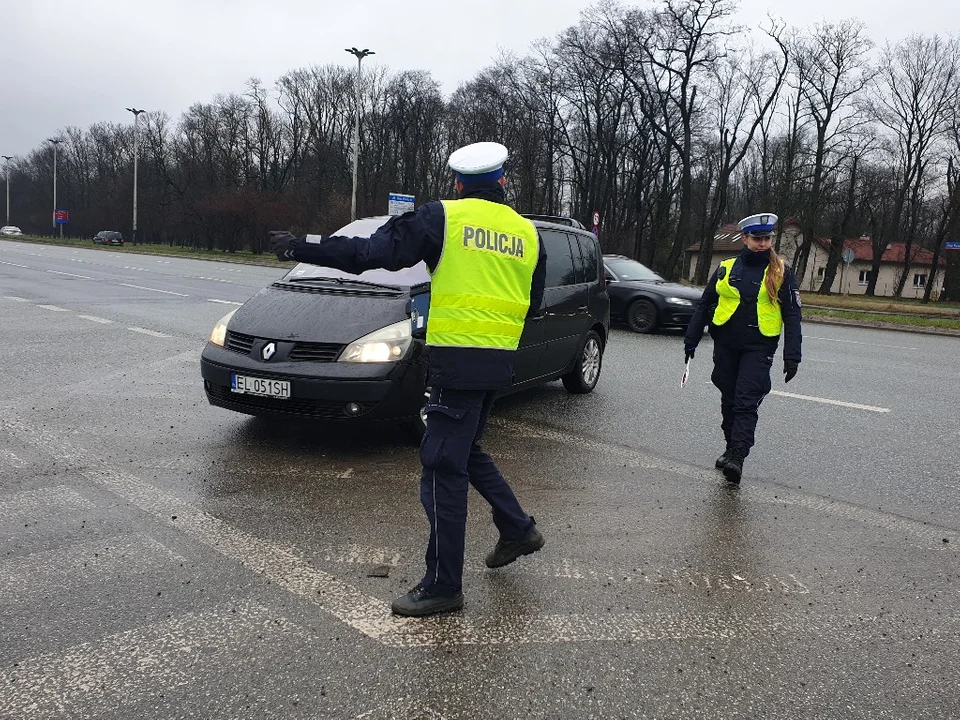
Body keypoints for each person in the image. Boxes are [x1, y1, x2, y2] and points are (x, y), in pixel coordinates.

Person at [269, 141, 547, 617]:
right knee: (465, 451)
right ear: (502, 181)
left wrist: (302, 246)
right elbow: (534, 302)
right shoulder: (527, 233)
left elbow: (371, 253)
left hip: (456, 361)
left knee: (440, 466)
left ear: (459, 183)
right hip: (499, 363)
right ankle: (518, 528)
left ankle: (443, 585)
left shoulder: (444, 217)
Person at [683, 213, 802, 484]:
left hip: (759, 346)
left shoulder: (781, 271)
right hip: (726, 343)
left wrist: (792, 354)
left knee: (746, 399)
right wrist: (691, 341)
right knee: (729, 397)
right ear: (744, 238)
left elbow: (793, 315)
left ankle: (738, 454)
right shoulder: (725, 267)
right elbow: (704, 304)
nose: (763, 244)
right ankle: (729, 446)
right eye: (757, 239)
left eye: (767, 239)